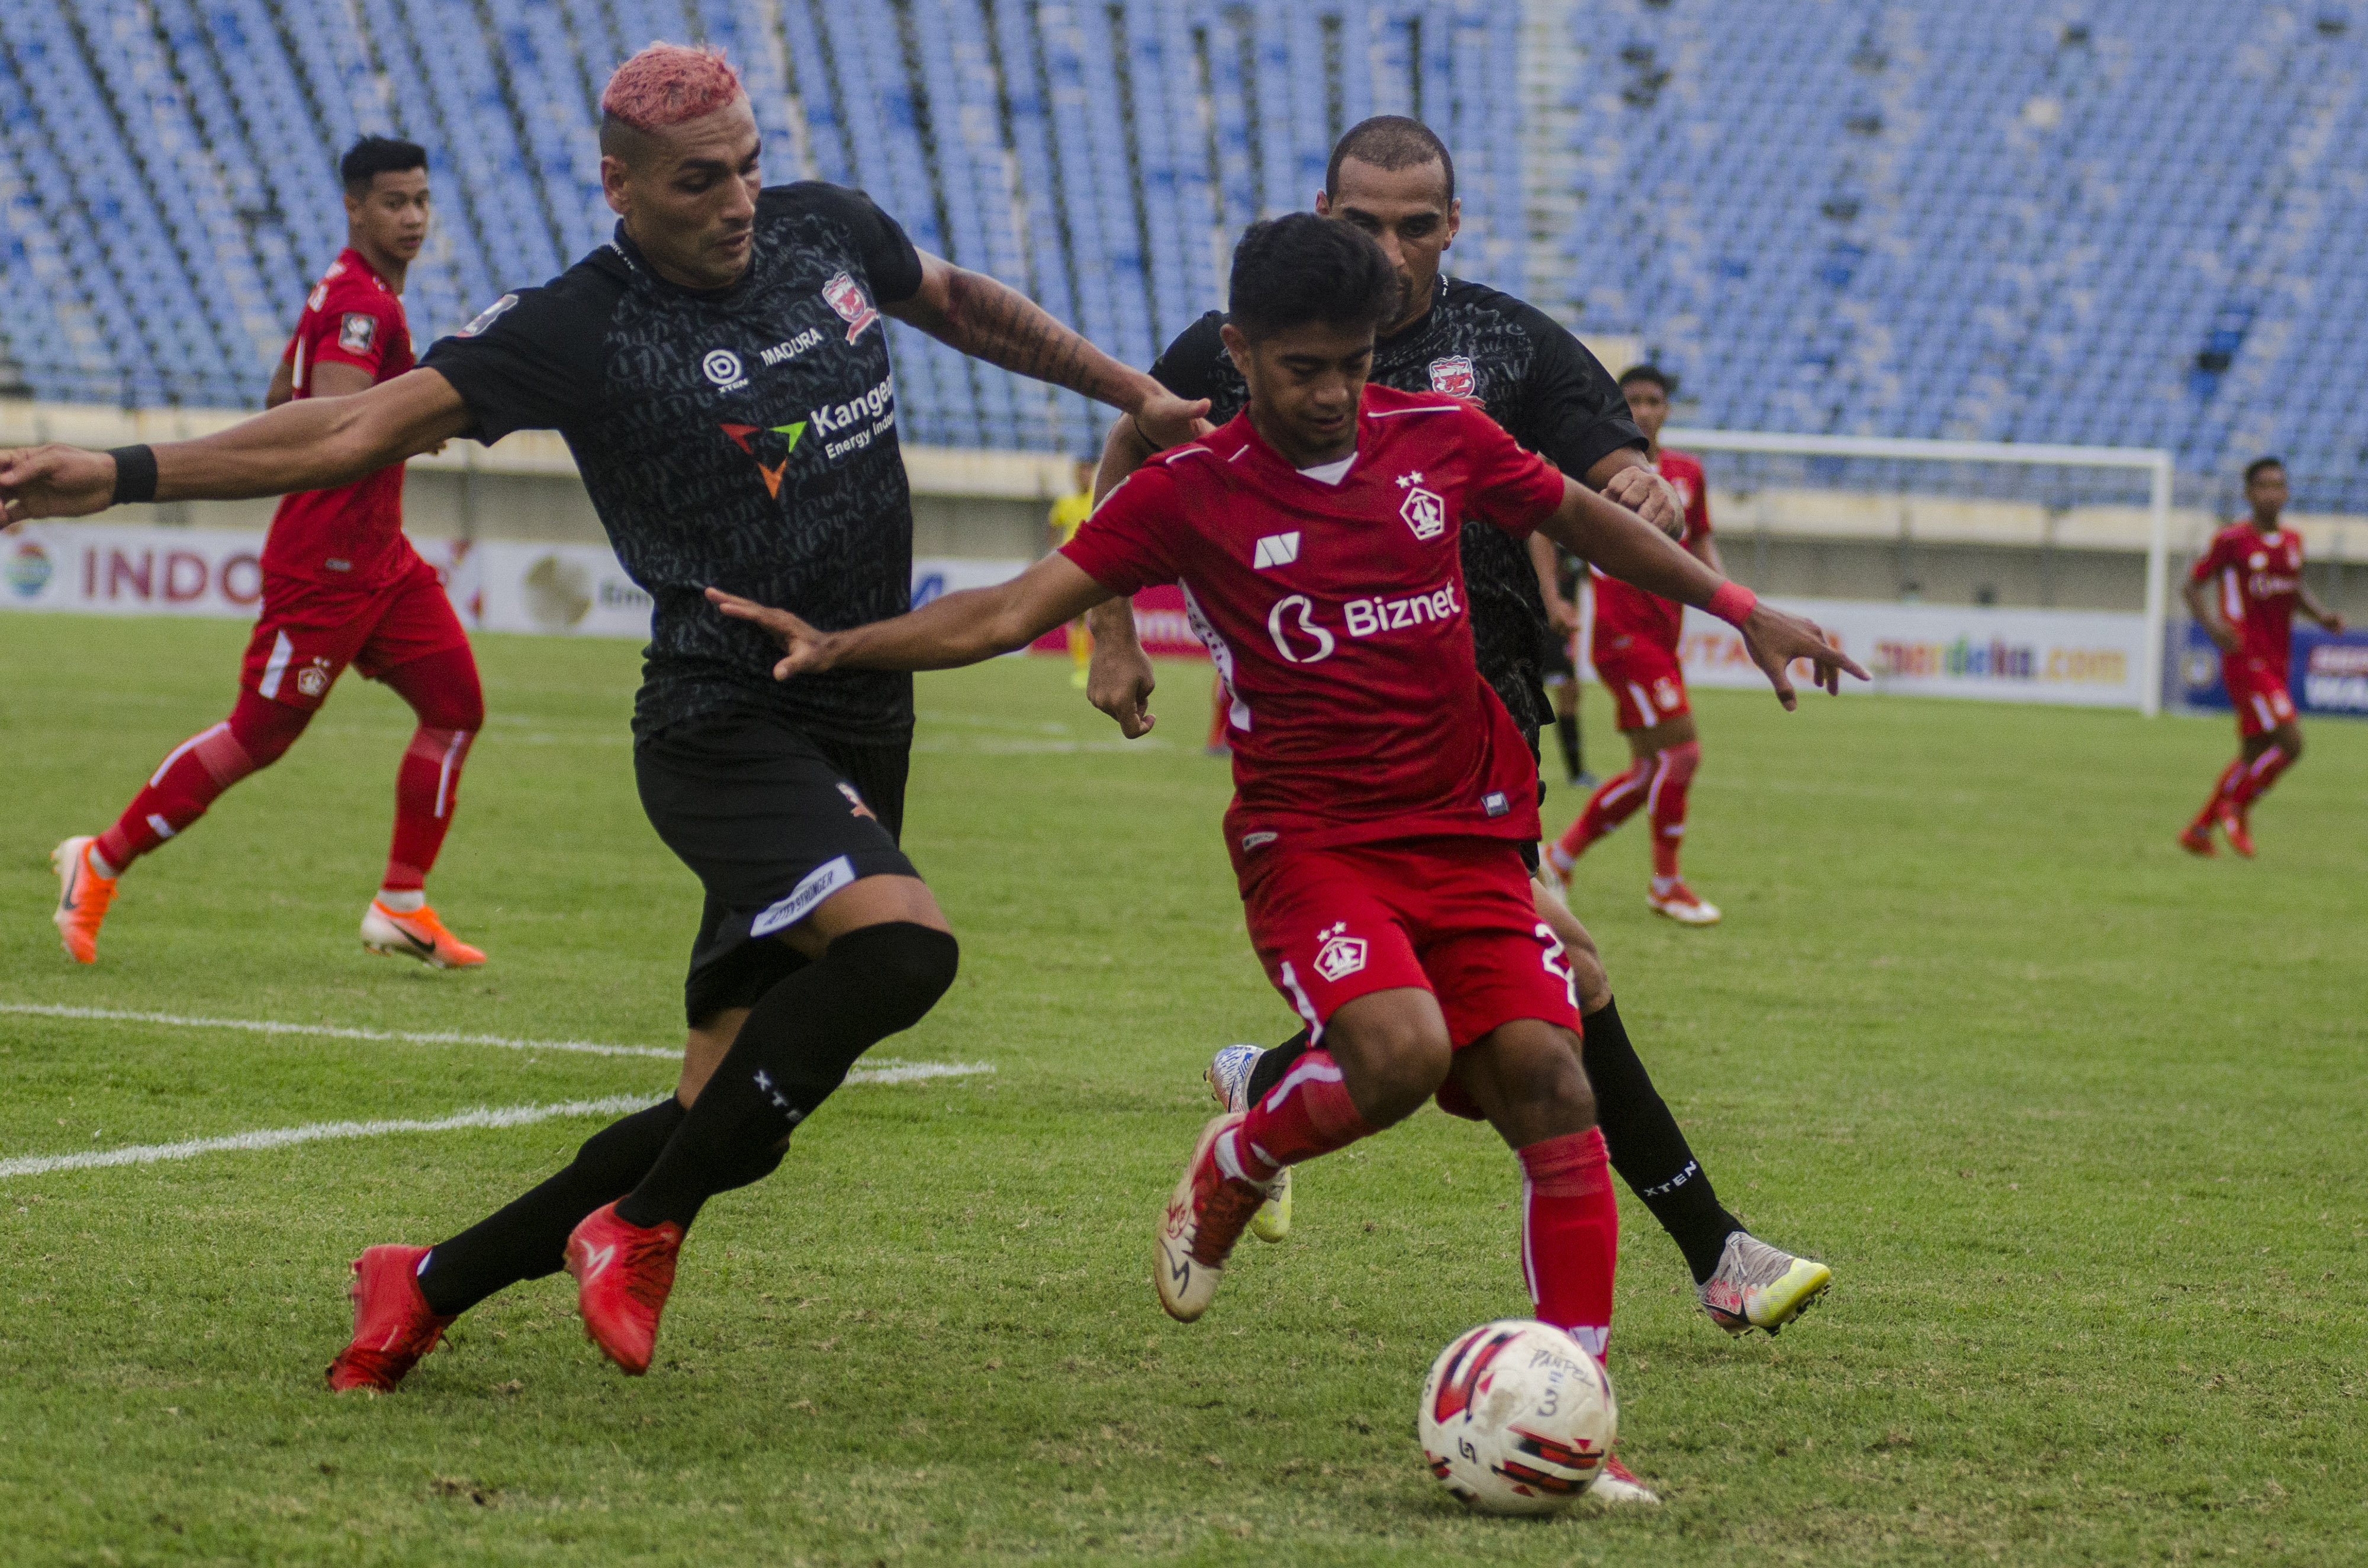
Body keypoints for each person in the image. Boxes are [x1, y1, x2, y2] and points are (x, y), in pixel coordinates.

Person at [0, 43, 1208, 1388]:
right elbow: (350, 433)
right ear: (619, 185)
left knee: (722, 1107)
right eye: (702, 180)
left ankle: (425, 1280)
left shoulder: (823, 226)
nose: (741, 197)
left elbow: (962, 302)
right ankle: (638, 1229)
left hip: (865, 711)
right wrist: (111, 472)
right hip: (720, 720)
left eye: (748, 163)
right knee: (904, 955)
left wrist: (1133, 395)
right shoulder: (576, 324)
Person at [706, 215, 1862, 1502]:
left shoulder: (1438, 439)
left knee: (1551, 1079)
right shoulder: (1188, 491)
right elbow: (1007, 608)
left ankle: (1575, 1416)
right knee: (1403, 1052)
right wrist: (842, 644)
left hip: (1468, 829)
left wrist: (1749, 611)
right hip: (1309, 842)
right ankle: (1238, 1160)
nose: (1330, 395)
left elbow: (1592, 521)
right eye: (1302, 367)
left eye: (1353, 365)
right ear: (1240, 353)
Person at [1089, 118, 1835, 1337]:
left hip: (1486, 725)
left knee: (1502, 1007)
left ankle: (1270, 1079)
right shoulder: (1265, 330)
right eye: (1361, 223)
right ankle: (1715, 1250)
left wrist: (1635, 482)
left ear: (1453, 224)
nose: (1387, 249)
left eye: (1415, 224)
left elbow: (1605, 463)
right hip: (1341, 738)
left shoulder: (1505, 342)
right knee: (1567, 981)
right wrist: (1111, 629)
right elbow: (1131, 440)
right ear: (1320, 210)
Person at [45, 137, 488, 970]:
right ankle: (98, 859)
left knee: (456, 706)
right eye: (395, 202)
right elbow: (330, 419)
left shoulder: (345, 290)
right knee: (259, 736)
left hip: (379, 557)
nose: (414, 217)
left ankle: (400, 904)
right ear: (355, 206)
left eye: (422, 200)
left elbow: (282, 397)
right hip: (324, 566)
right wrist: (409, 424)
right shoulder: (365, 307)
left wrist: (399, 427)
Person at [1545, 365, 1723, 924]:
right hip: (1623, 637)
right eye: (1635, 400)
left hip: (1663, 637)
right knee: (1684, 753)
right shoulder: (1604, 471)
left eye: (1655, 400)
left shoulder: (1688, 473)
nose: (1645, 410)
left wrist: (1739, 603)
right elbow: (1543, 523)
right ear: (1621, 407)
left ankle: (1559, 856)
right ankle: (1666, 883)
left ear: (1668, 408)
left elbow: (1701, 546)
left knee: (1648, 770)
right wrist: (1553, 598)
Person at [2179, 456, 2344, 857]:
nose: (2271, 493)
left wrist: (2320, 614)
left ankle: (2199, 830)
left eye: (2278, 485)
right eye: (2263, 486)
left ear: (2286, 493)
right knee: (2291, 742)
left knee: (2253, 753)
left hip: (2277, 658)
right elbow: (2191, 586)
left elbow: (2293, 588)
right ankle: (2237, 804)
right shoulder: (2232, 540)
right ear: (2249, 494)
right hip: (2246, 656)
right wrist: (2215, 628)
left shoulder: (2291, 542)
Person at [1539, 542, 1594, 786]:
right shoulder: (1541, 539)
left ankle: (1576, 772)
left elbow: (1578, 588)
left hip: (1561, 628)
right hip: (1540, 623)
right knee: (1527, 695)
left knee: (1570, 691)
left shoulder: (1578, 543)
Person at [1045, 456, 1098, 687]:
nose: (1083, 476)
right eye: (1080, 472)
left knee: (1103, 617)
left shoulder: (1099, 496)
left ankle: (1099, 665)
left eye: (1087, 472)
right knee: (1078, 618)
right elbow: (1053, 524)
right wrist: (1053, 551)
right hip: (1072, 564)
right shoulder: (1066, 502)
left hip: (1097, 562)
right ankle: (1081, 668)